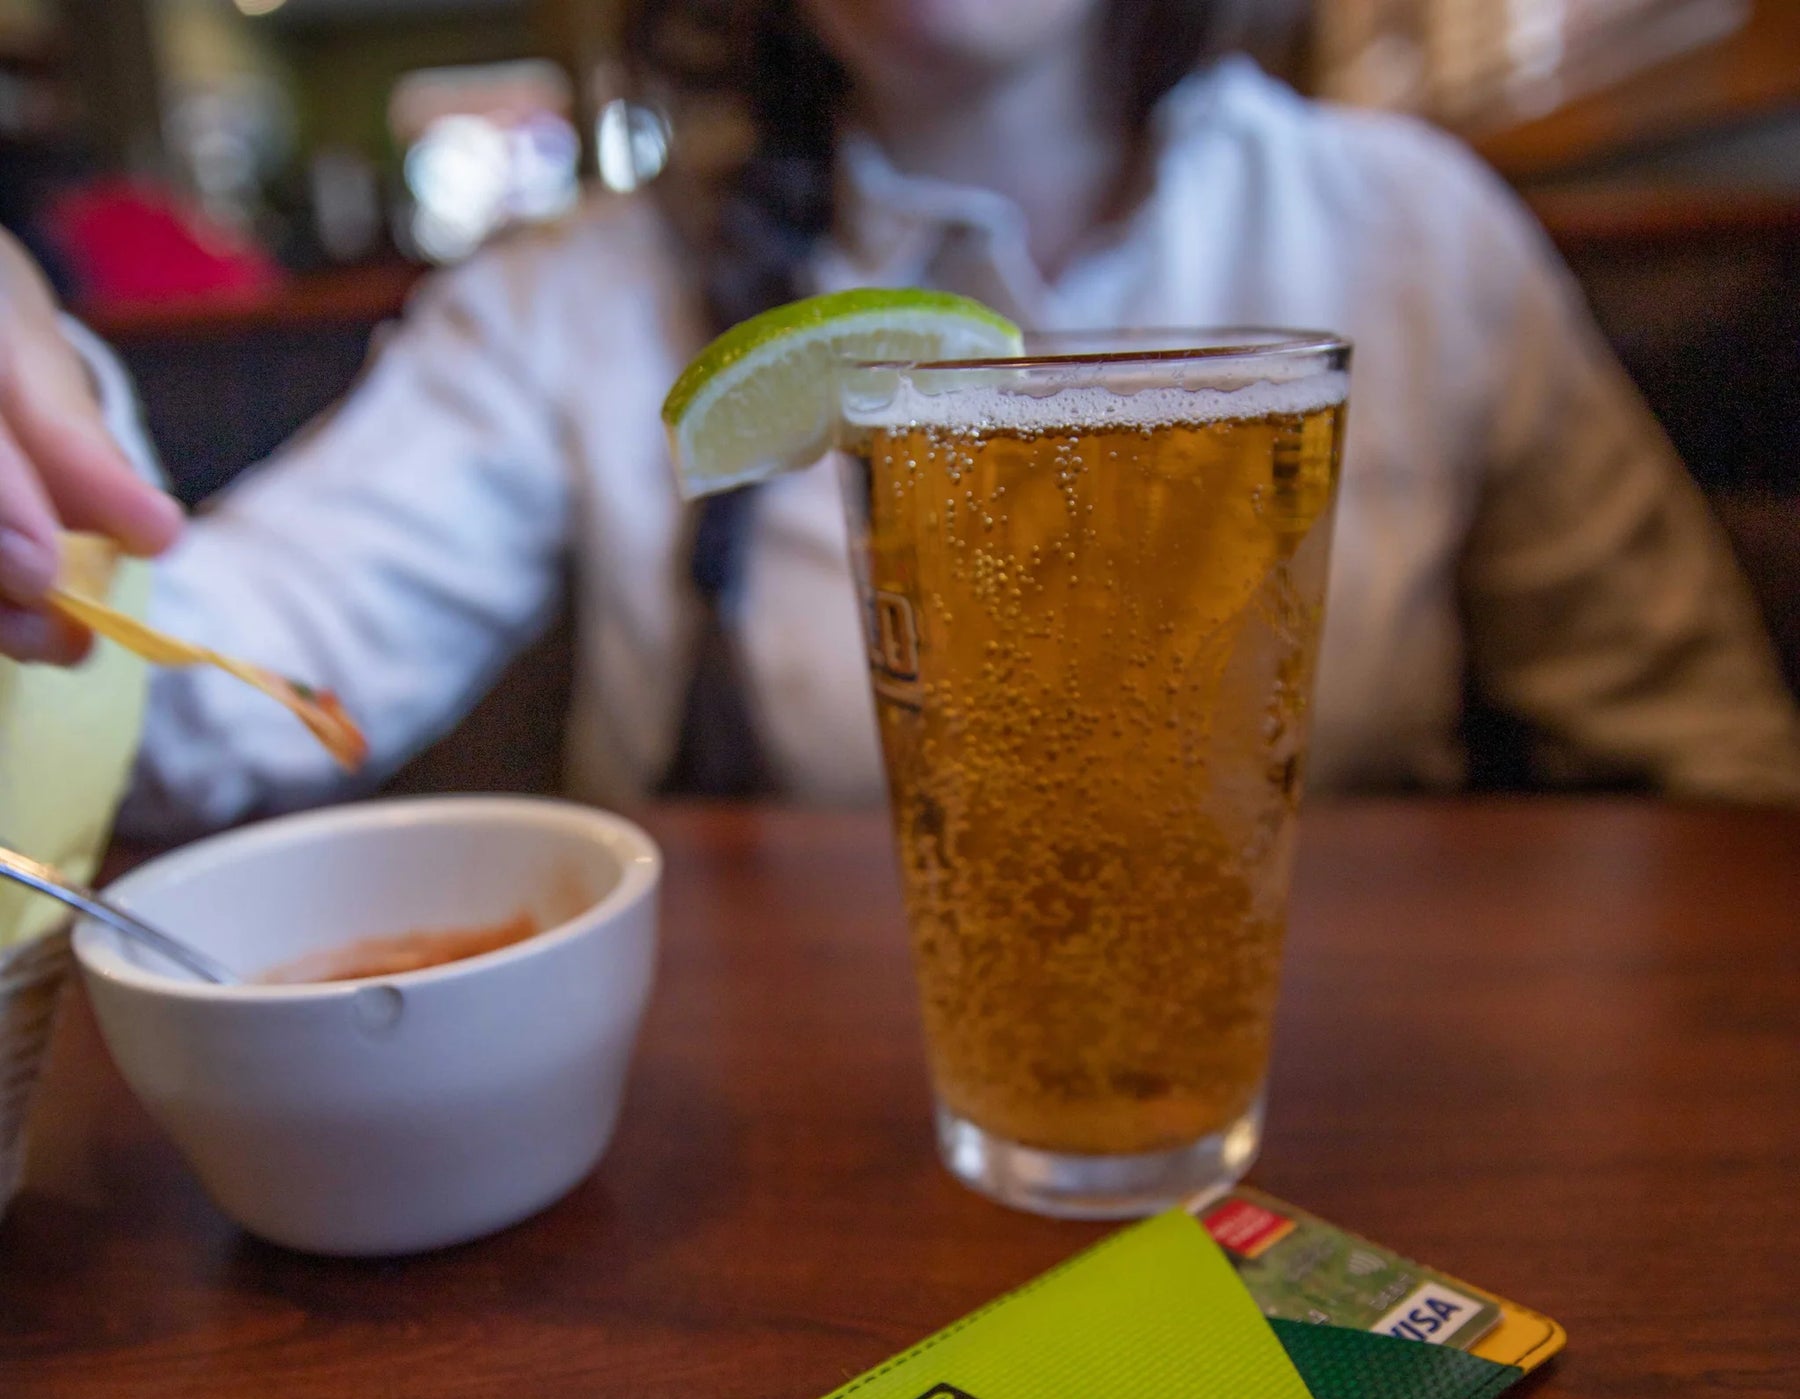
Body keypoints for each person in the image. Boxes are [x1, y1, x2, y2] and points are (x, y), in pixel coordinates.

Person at [2, 0, 1797, 828]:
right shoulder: (579, 299)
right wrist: (44, 444)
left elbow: (1709, 760)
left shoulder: (1412, 236)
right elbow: (214, 694)